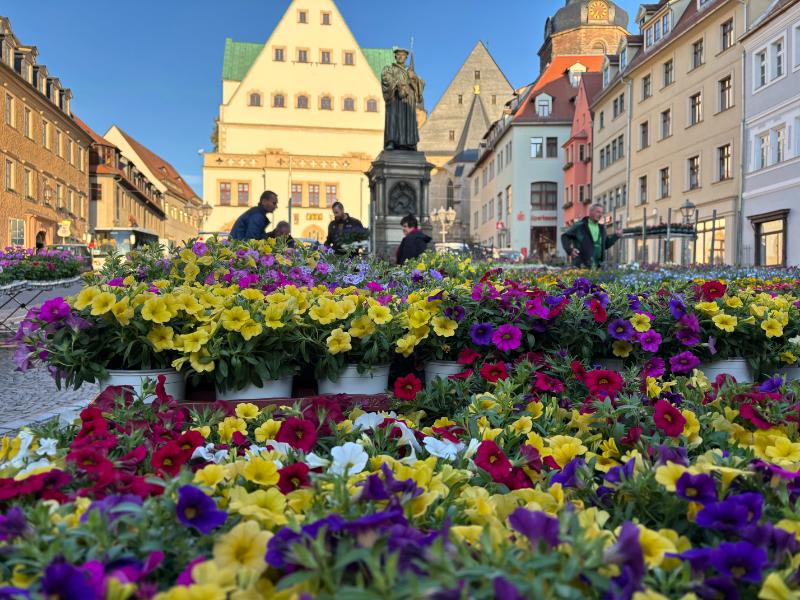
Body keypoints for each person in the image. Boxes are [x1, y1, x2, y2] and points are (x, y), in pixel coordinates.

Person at [561, 204, 623, 268]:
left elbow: (605, 245)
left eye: (602, 213)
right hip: (582, 265)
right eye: (598, 212)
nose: (600, 215)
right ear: (590, 212)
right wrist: (569, 250)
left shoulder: (602, 228)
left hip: (598, 266)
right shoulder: (580, 225)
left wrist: (616, 236)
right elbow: (565, 236)